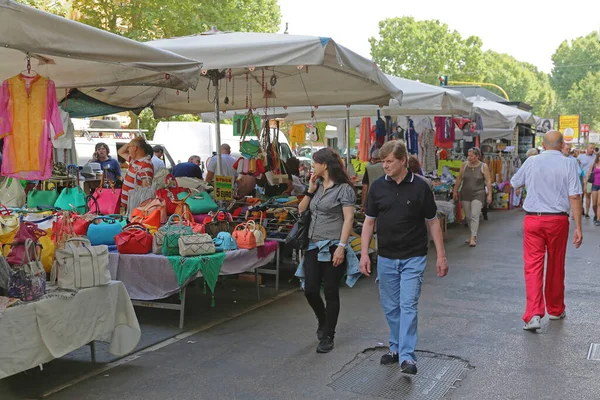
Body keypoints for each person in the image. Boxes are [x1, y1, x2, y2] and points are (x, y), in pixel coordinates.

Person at [359, 140, 448, 375]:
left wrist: (441, 255)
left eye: (389, 162)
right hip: (386, 256)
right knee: (391, 307)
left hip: (413, 257)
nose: (385, 166)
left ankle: (407, 357)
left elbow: (432, 222)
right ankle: (396, 347)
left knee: (408, 305)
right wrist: (364, 254)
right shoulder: (378, 187)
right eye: (383, 162)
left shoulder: (421, 187)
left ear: (402, 161)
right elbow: (369, 222)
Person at [510, 131, 582, 331]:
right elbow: (575, 196)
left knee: (533, 266)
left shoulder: (532, 161)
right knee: (556, 264)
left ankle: (533, 314)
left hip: (533, 218)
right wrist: (578, 227)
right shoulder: (569, 164)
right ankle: (556, 309)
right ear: (561, 145)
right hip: (558, 220)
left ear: (543, 143)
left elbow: (515, 183)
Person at [297, 148, 355, 354]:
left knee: (330, 291)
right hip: (313, 245)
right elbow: (302, 210)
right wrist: (310, 190)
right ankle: (323, 319)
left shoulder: (344, 189)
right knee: (310, 289)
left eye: (315, 163)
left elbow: (348, 219)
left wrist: (341, 246)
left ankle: (328, 335)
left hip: (332, 246)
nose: (313, 166)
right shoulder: (318, 186)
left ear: (325, 165)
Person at [453, 147, 492, 247]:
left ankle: (473, 237)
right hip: (465, 193)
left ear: (477, 156)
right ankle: (471, 234)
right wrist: (455, 190)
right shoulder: (464, 165)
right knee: (469, 216)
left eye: (471, 156)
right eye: (468, 155)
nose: (469, 157)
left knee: (475, 215)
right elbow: (459, 178)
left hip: (478, 193)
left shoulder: (484, 166)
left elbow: (488, 181)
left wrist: (489, 194)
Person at [117, 137, 154, 208]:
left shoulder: (145, 165)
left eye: (129, 147)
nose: (127, 149)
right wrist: (130, 143)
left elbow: (146, 189)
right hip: (128, 205)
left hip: (134, 206)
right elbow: (120, 152)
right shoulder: (133, 160)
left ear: (135, 148)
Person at [578, 144, 596, 219]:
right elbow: (577, 168)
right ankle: (581, 209)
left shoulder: (595, 157)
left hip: (591, 179)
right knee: (581, 196)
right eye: (591, 148)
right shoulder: (580, 157)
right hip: (582, 178)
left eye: (593, 148)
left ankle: (587, 213)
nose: (592, 149)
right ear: (587, 148)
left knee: (588, 194)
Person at [584, 153, 600, 226]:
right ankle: (596, 215)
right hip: (594, 185)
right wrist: (585, 184)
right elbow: (589, 174)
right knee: (594, 204)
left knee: (599, 203)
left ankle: (598, 219)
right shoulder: (594, 165)